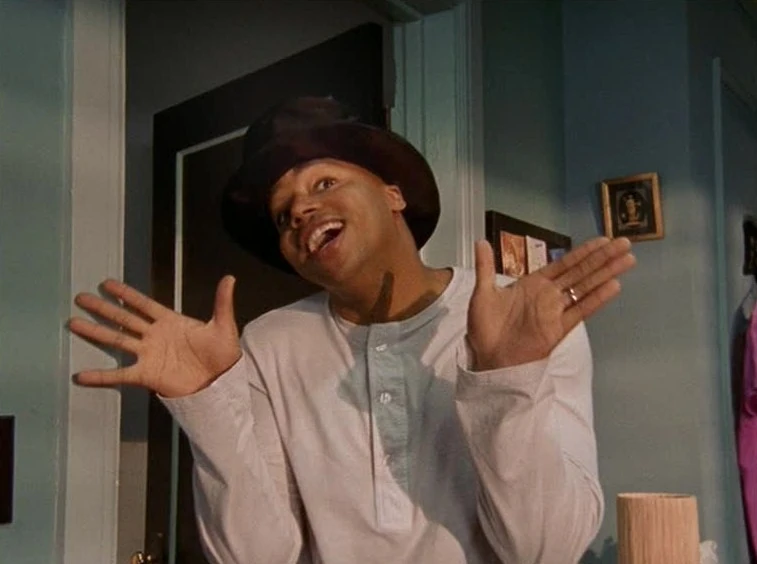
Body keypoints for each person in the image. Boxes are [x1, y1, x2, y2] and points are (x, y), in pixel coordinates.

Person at [68, 97, 636, 564]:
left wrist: (505, 378)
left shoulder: (521, 317)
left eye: (323, 183)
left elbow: (545, 551)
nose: (300, 211)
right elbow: (256, 557)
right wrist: (208, 405)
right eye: (283, 213)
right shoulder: (268, 343)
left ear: (393, 194)